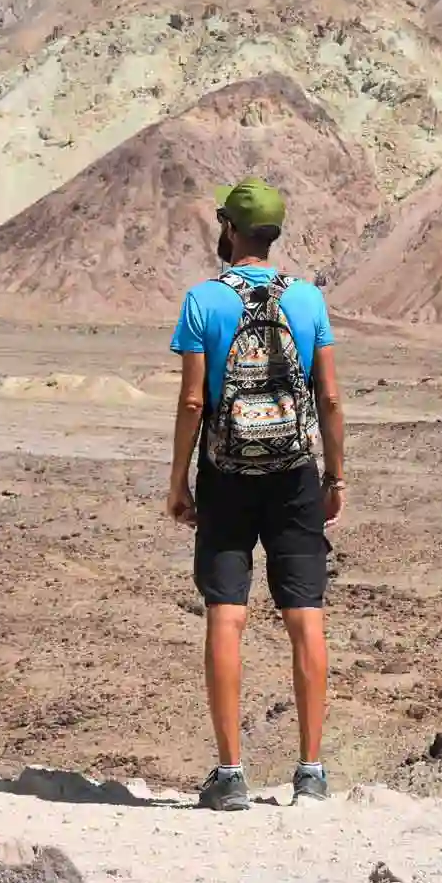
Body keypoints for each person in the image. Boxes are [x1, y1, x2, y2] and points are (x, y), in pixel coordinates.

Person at [165, 177, 346, 810]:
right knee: (306, 617)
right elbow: (327, 396)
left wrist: (178, 480)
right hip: (295, 473)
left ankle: (231, 774)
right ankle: (312, 771)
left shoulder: (202, 302)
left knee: (227, 614)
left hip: (226, 475)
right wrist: (335, 475)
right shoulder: (308, 300)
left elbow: (193, 399)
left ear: (228, 227)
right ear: (274, 232)